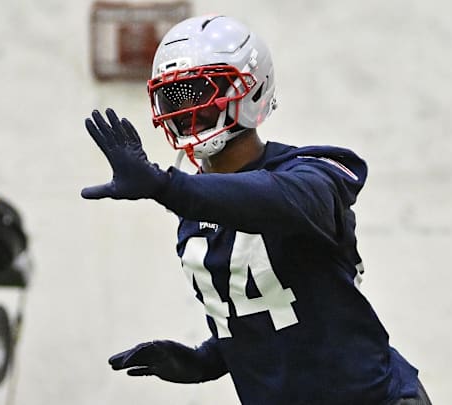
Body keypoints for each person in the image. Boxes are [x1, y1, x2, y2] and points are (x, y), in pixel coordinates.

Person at [81, 14, 432, 405]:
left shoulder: (311, 175)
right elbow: (270, 311)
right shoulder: (193, 201)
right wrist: (206, 361)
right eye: (175, 96)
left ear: (250, 90)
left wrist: (165, 186)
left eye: (200, 92)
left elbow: (273, 200)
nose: (186, 109)